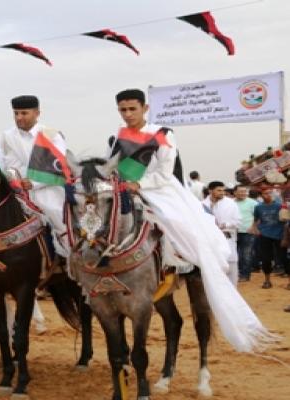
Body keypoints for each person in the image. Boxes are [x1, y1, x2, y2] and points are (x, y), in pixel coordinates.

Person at [108, 88, 273, 353]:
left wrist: (139, 183)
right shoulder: (119, 136)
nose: (128, 114)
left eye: (132, 109)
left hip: (160, 190)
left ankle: (181, 267)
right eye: (123, 110)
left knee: (179, 228)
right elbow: (112, 166)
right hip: (125, 190)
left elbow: (164, 171)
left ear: (144, 108)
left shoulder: (162, 134)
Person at [0, 95, 69, 257]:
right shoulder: (7, 136)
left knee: (57, 215)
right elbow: (4, 161)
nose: (19, 118)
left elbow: (58, 165)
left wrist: (34, 183)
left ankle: (69, 258)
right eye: (16, 113)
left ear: (37, 113)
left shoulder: (51, 135)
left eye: (24, 113)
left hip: (48, 188)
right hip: (18, 190)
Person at [203, 181, 241, 286]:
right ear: (210, 191)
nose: (222, 192)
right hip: (210, 242)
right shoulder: (202, 205)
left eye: (223, 190)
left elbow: (238, 222)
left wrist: (225, 225)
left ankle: (233, 297)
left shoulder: (231, 204)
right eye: (219, 190)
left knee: (231, 269)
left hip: (227, 239)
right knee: (214, 270)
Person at [250, 187, 286, 289]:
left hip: (280, 235)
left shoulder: (280, 206)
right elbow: (256, 219)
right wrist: (254, 228)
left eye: (270, 193)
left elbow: (285, 219)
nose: (268, 195)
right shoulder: (258, 207)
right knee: (266, 259)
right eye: (265, 193)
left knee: (284, 258)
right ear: (261, 196)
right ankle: (267, 280)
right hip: (265, 235)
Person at [234, 185, 258, 282]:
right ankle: (237, 273)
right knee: (235, 254)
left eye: (245, 191)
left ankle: (245, 275)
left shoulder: (253, 203)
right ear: (235, 192)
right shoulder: (231, 203)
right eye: (240, 191)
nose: (243, 193)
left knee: (246, 254)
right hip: (234, 232)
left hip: (248, 232)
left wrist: (254, 227)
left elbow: (258, 217)